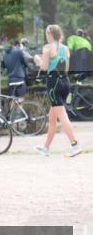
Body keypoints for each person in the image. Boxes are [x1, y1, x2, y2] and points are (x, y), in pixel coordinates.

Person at [33, 24, 82, 157]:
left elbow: (43, 68)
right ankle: (46, 148)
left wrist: (37, 60)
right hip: (65, 82)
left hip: (53, 84)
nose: (45, 35)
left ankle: (75, 145)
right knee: (52, 118)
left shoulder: (47, 48)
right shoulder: (65, 49)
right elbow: (66, 68)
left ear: (50, 34)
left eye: (46, 33)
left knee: (62, 116)